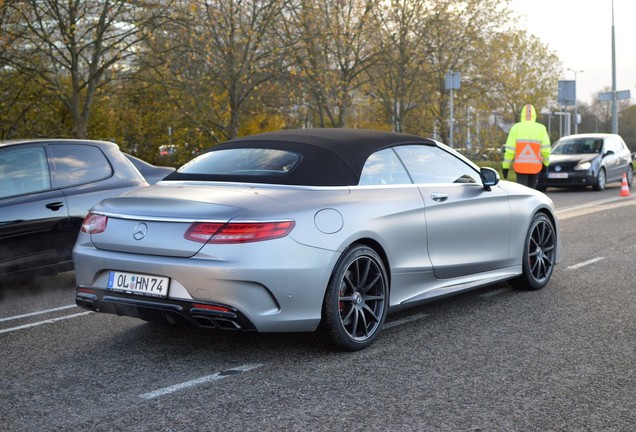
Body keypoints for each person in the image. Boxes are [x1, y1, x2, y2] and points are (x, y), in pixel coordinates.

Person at [502, 104, 551, 189]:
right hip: (535, 167)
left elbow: (510, 150)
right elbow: (546, 150)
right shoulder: (541, 128)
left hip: (520, 167)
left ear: (522, 114)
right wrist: (545, 164)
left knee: (522, 192)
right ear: (534, 115)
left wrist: (505, 166)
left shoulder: (516, 128)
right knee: (532, 192)